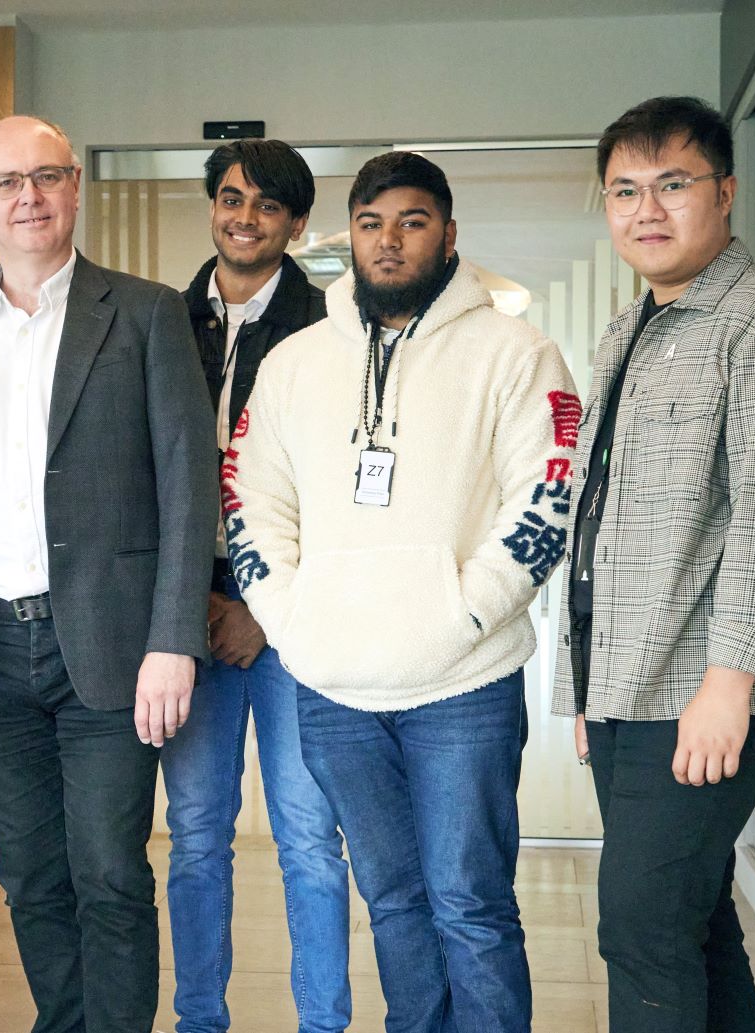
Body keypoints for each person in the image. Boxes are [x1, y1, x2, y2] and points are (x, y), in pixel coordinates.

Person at [222, 151, 580, 1032]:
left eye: (411, 221)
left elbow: (546, 491)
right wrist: (292, 619)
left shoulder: (516, 352)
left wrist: (459, 611)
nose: (389, 242)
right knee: (390, 900)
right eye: (372, 224)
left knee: (470, 904)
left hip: (462, 684)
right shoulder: (296, 363)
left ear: (448, 234)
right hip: (333, 685)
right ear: (351, 239)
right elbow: (250, 498)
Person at [0, 114, 216, 1032]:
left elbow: (190, 488)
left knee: (109, 869)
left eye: (44, 176)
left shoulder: (145, 314)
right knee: (28, 871)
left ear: (75, 187)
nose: (26, 196)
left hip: (110, 644)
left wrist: (171, 641)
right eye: (4, 182)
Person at [561, 96, 755, 1032]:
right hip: (628, 683)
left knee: (639, 929)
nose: (647, 209)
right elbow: (597, 520)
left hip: (701, 682)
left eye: (671, 184)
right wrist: (591, 688)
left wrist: (730, 681)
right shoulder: (628, 329)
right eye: (624, 190)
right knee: (691, 917)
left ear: (723, 191)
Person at [164, 138, 351, 1033]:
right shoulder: (160, 321)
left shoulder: (331, 330)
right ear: (212, 205)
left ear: (295, 223)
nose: (244, 217)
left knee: (309, 840)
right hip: (184, 617)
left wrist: (262, 611)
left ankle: (323, 1022)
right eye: (230, 198)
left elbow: (338, 493)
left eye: (266, 205)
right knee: (196, 837)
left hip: (290, 624)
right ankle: (200, 1020)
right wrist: (184, 604)